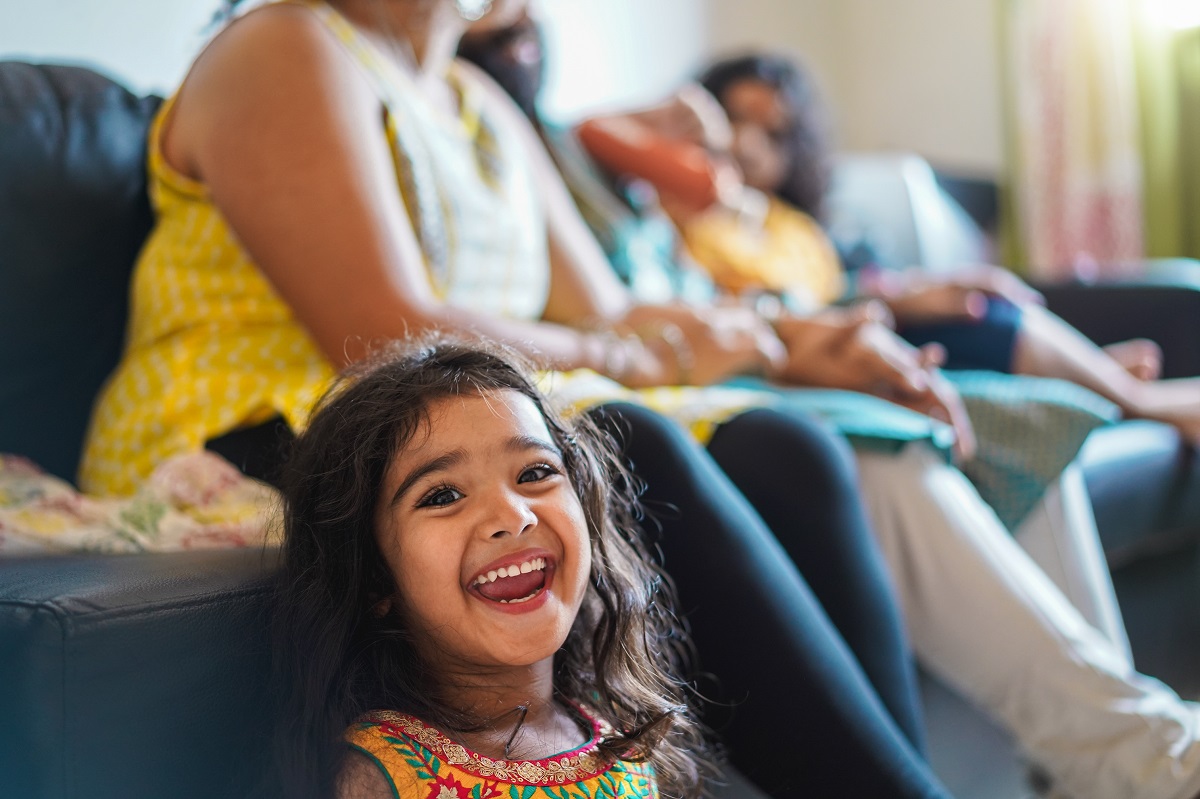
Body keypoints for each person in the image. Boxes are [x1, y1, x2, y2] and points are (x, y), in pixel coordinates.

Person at [78, 1, 1200, 797]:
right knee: (628, 437)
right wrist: (648, 350)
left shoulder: (476, 102)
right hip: (279, 425)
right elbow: (383, 333)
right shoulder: (282, 47)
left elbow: (618, 311)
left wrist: (776, 343)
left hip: (468, 409)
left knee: (785, 444)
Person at [578, 51, 1200, 442]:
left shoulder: (792, 227)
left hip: (842, 319)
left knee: (980, 305)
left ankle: (1095, 383)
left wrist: (910, 294)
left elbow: (841, 289)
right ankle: (1133, 399)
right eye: (734, 119)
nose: (747, 143)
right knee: (988, 329)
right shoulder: (672, 203)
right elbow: (590, 140)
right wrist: (664, 125)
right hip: (789, 339)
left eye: (772, 132)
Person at [272, 336, 708, 798]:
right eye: (443, 496)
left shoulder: (621, 735)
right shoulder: (384, 773)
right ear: (374, 577)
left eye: (535, 473)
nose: (513, 517)